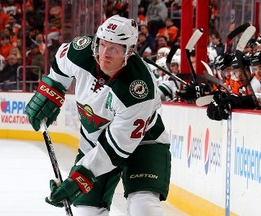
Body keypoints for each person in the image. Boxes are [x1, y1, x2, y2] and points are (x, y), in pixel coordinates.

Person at [25, 15, 171, 216]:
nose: (104, 54)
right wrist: (51, 91)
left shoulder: (139, 90)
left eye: (114, 49)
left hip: (145, 142)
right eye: (102, 45)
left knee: (143, 207)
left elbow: (114, 149)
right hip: (94, 143)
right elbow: (60, 66)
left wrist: (78, 178)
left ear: (128, 52)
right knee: (87, 212)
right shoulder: (80, 51)